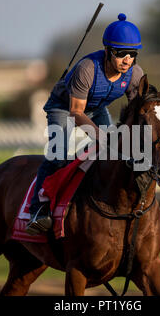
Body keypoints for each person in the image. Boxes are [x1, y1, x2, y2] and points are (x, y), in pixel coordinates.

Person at [25, 13, 145, 235]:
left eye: (132, 54)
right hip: (64, 107)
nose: (127, 60)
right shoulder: (87, 69)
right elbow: (76, 112)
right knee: (58, 154)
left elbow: (139, 109)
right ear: (108, 51)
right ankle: (38, 210)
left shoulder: (135, 74)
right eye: (120, 54)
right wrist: (102, 136)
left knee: (115, 152)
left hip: (96, 108)